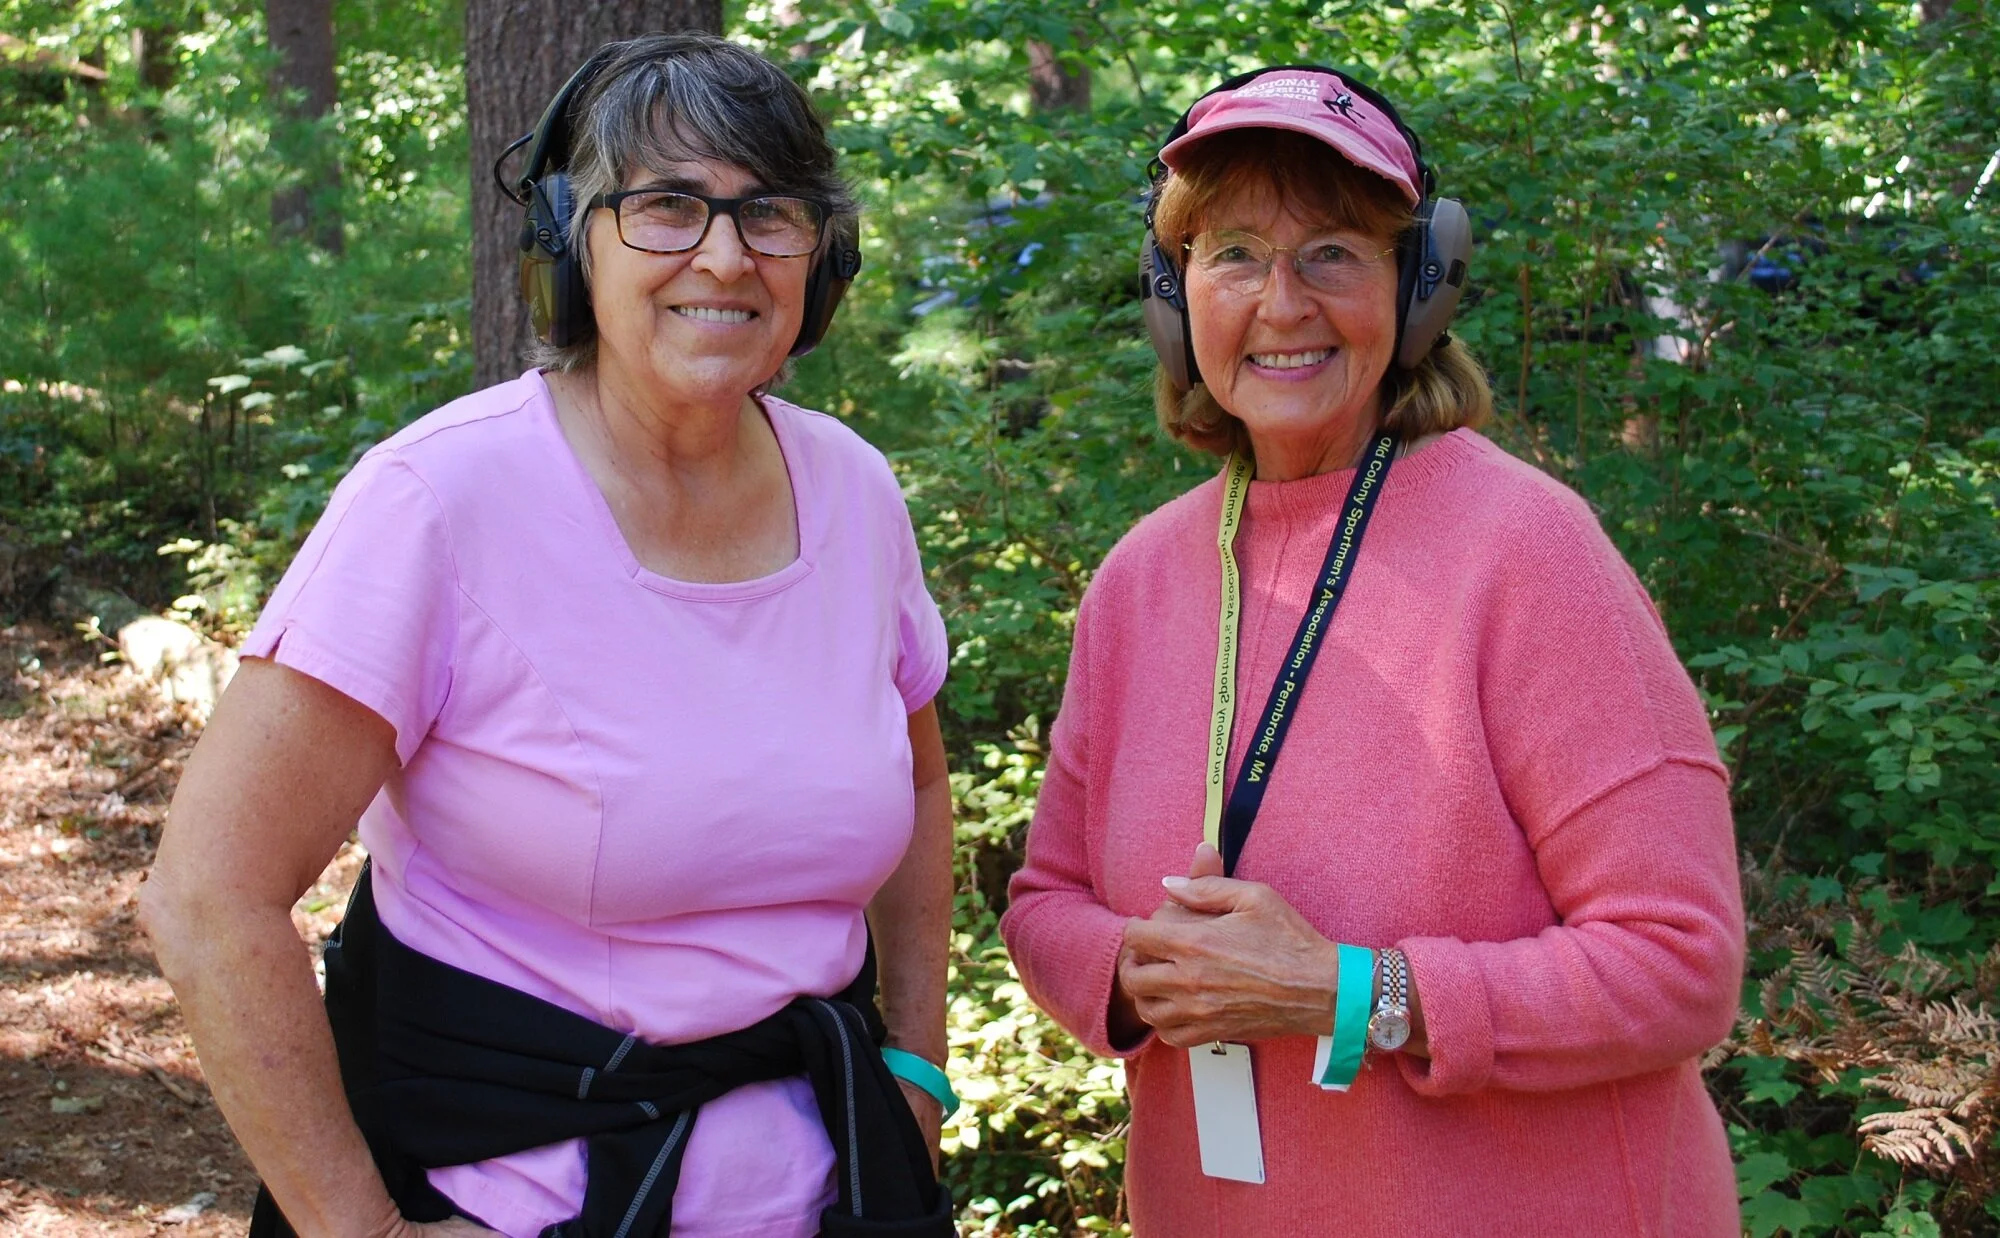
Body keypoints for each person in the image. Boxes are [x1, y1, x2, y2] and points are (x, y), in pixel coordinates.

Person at [141, 34, 955, 1238]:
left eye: (767, 213)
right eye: (667, 206)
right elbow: (207, 897)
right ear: (571, 243)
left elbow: (920, 780)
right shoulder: (438, 500)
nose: (724, 255)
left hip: (831, 1200)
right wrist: (358, 1229)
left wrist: (918, 1065)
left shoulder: (854, 490)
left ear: (818, 257)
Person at [1000, 66, 1745, 1235]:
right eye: (1233, 252)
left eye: (1333, 251)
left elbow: (1677, 961)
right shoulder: (1140, 576)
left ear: (1418, 288)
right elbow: (1044, 899)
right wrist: (1135, 974)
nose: (1280, 301)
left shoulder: (1529, 549)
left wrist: (1352, 994)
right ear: (1171, 292)